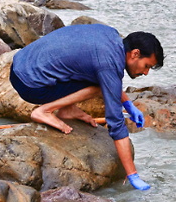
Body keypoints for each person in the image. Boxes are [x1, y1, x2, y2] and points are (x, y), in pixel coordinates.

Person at [9, 24, 164, 191]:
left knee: (98, 77)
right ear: (135, 54)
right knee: (99, 86)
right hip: (30, 85)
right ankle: (44, 111)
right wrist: (132, 175)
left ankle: (67, 108)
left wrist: (128, 104)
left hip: (20, 64)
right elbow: (115, 122)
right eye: (147, 66)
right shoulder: (108, 62)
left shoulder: (111, 36)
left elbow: (108, 76)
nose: (146, 73)